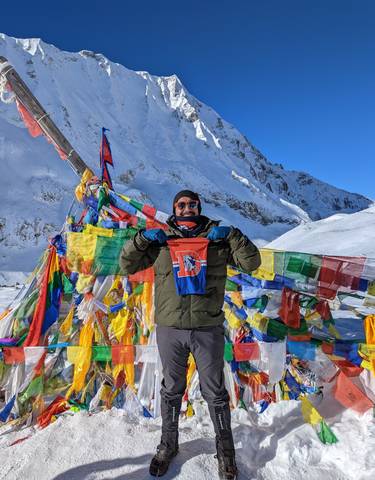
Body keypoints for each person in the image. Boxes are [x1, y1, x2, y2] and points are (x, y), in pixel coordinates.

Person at [119, 190, 261, 479]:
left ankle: (226, 453)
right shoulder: (162, 242)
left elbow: (252, 263)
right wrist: (143, 239)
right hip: (171, 329)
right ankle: (167, 445)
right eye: (181, 205)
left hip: (206, 328)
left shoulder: (217, 241)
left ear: (199, 207)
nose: (187, 208)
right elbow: (127, 265)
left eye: (192, 204)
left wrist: (233, 235)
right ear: (174, 209)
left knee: (216, 392)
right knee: (171, 389)